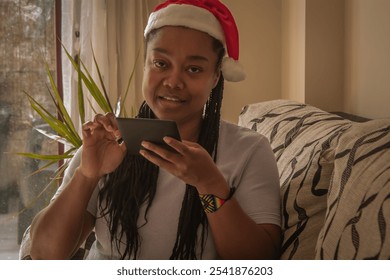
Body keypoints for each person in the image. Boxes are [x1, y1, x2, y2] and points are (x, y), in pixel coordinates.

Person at [29, 0, 281, 260]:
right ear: (146, 64)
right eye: (161, 64)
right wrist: (87, 175)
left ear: (216, 76)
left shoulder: (249, 150)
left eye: (194, 69)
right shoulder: (106, 144)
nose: (173, 81)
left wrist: (209, 184)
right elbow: (45, 256)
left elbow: (257, 264)